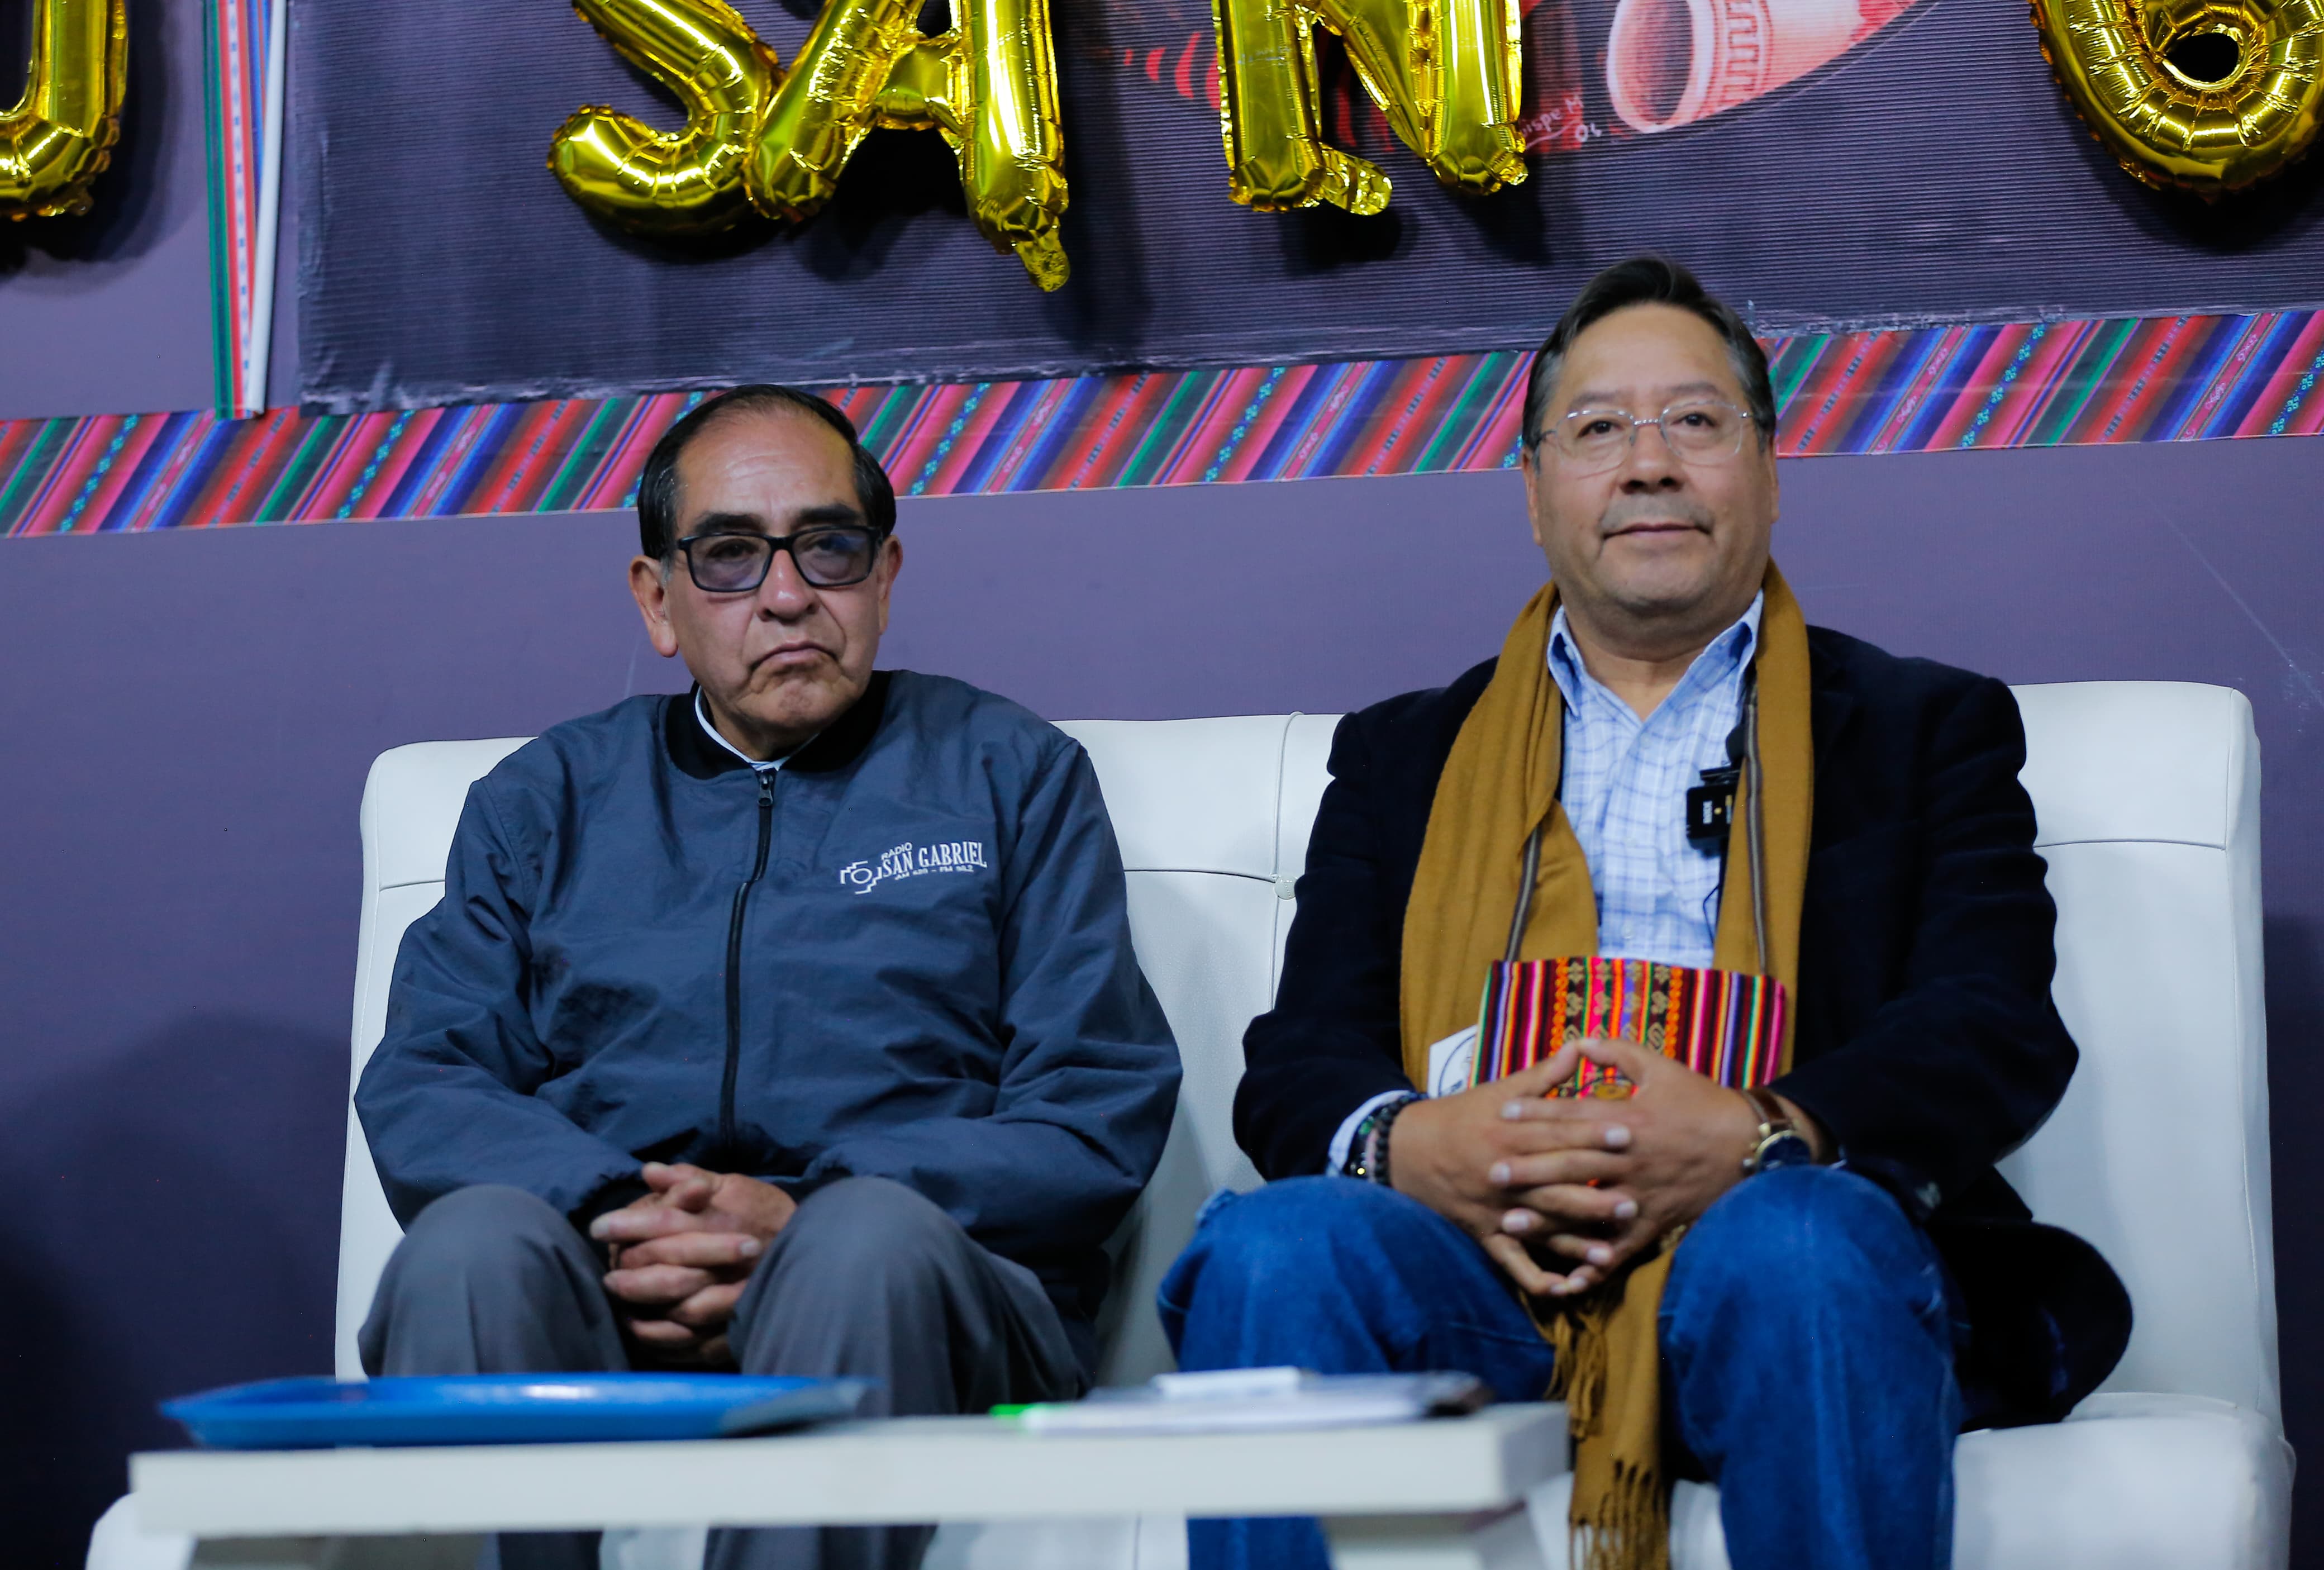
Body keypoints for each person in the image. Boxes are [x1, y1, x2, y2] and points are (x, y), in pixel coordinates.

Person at [1158, 258, 2130, 1570]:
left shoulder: (1923, 727)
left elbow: (1989, 1021)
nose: (1649, 462)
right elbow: (1300, 1057)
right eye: (1599, 427)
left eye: (1695, 420)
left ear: (1768, 469)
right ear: (1534, 489)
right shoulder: (1403, 755)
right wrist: (1415, 1143)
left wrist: (1759, 1134)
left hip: (1774, 1257)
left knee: (1798, 1238)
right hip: (1477, 1270)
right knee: (1276, 1247)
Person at [355, 384, 1180, 1570]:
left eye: (828, 547)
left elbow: (1092, 1106)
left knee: (861, 1245)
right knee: (466, 1249)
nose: (788, 595)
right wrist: (616, 1210)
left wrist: (802, 1215)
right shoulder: (545, 801)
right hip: (613, 1274)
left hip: (920, 1293)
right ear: (658, 600)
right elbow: (427, 1082)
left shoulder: (1012, 774)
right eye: (731, 556)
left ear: (885, 574)